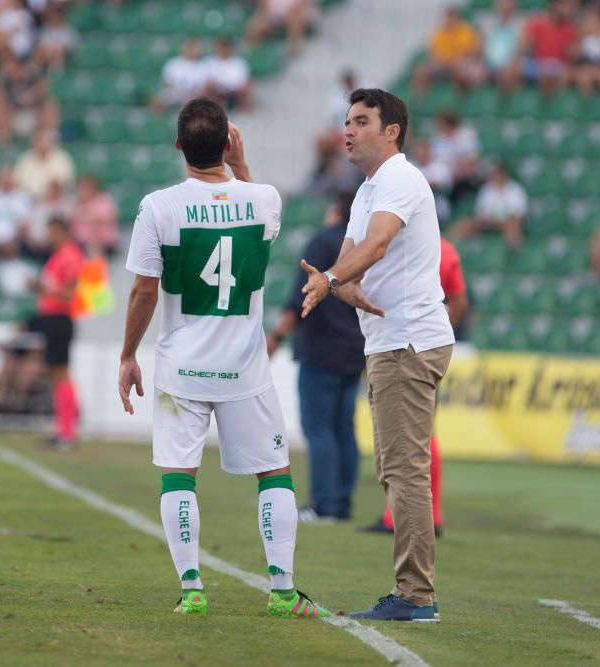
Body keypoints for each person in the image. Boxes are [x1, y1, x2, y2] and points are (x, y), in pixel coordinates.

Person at [118, 97, 330, 619]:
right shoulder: (264, 198)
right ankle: (282, 590)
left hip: (182, 366)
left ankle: (192, 588)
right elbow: (262, 220)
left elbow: (145, 291)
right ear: (228, 142)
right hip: (245, 366)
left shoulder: (158, 206)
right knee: (274, 473)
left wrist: (127, 354)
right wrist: (241, 167)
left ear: (178, 146)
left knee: (178, 475)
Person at [300, 88, 454, 622]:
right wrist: (337, 281)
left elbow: (376, 246)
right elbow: (349, 260)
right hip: (392, 341)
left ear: (391, 131)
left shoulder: (399, 179)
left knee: (404, 470)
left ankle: (416, 596)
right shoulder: (368, 188)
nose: (348, 130)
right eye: (346, 121)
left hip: (408, 339)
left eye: (360, 121)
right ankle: (413, 592)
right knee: (395, 468)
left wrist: (331, 281)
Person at [266, 194, 366, 523]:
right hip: (356, 349)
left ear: (336, 209)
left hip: (322, 348)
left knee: (319, 428)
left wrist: (277, 338)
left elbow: (301, 297)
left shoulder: (323, 241)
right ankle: (342, 503)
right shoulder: (365, 245)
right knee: (343, 428)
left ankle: (323, 504)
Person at [364, 236, 468, 537]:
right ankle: (430, 517)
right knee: (422, 433)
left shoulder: (391, 244)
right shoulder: (445, 249)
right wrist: (438, 336)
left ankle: (396, 518)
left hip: (395, 346)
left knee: (398, 438)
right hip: (427, 346)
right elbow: (459, 300)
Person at [28, 216, 84, 450]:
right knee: (55, 374)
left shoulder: (70, 256)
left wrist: (42, 288)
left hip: (60, 318)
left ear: (62, 231)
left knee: (61, 373)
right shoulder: (58, 256)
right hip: (52, 319)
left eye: (51, 231)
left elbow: (70, 293)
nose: (48, 236)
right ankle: (62, 429)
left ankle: (68, 432)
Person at [413, 6, 486, 98]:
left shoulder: (465, 31)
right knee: (422, 70)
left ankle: (460, 100)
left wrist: (455, 61)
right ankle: (420, 100)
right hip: (442, 64)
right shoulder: (439, 31)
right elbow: (433, 52)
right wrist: (443, 61)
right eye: (448, 17)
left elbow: (469, 54)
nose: (449, 20)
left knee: (466, 72)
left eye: (452, 17)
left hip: (459, 65)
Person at [450, 162, 527, 247]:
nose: (496, 177)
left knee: (512, 225)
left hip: (506, 222)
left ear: (504, 175)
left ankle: (517, 252)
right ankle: (449, 244)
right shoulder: (487, 188)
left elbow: (519, 213)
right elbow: (480, 211)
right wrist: (487, 218)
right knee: (466, 223)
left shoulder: (515, 189)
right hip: (489, 222)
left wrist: (503, 218)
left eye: (498, 174)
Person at [13, 130, 75, 200]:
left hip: (55, 199)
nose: (41, 144)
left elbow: (66, 182)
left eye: (43, 141)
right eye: (38, 141)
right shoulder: (25, 159)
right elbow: (16, 182)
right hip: (28, 200)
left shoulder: (61, 157)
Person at [70, 175, 119, 257]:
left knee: (93, 250)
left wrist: (88, 213)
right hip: (80, 243)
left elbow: (108, 220)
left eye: (86, 188)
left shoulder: (104, 200)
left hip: (102, 243)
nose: (82, 191)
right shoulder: (75, 203)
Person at [203, 38, 252, 110]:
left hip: (234, 89)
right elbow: (208, 79)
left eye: (226, 47)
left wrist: (230, 86)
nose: (224, 49)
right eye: (222, 47)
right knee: (207, 87)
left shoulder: (239, 62)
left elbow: (243, 80)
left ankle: (244, 112)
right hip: (216, 88)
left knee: (246, 87)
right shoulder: (209, 61)